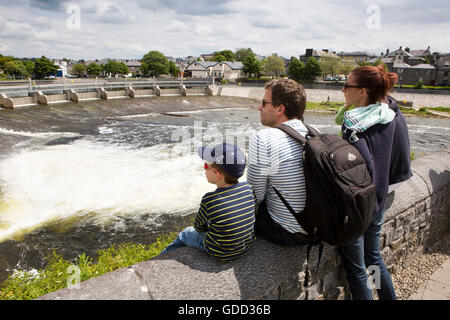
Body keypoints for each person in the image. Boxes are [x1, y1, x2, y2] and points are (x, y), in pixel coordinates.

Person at [339, 64, 412, 300]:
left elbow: (362, 167)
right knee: (374, 258)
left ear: (362, 92)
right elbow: (398, 155)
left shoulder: (354, 124)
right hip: (378, 201)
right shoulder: (388, 114)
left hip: (359, 206)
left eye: (346, 86)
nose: (342, 91)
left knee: (358, 269)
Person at [247, 79, 315, 246]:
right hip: (318, 227)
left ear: (280, 109)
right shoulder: (316, 133)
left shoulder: (263, 139)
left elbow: (254, 196)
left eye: (264, 103)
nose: (259, 108)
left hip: (288, 232)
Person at [160, 142, 256, 262]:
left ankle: (162, 257)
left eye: (206, 166)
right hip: (245, 247)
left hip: (220, 253)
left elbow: (198, 227)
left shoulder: (210, 199)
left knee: (185, 233)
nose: (204, 169)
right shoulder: (248, 188)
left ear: (217, 174)